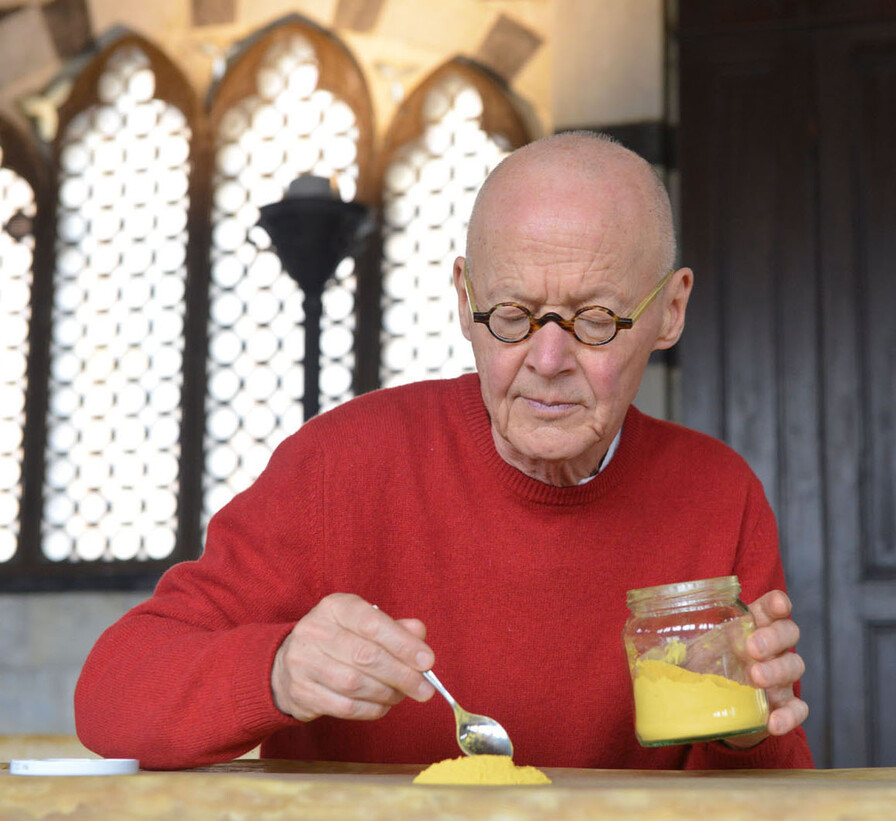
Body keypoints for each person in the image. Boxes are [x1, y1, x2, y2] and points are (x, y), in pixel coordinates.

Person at [75, 132, 813, 770]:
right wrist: (278, 669)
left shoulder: (717, 492)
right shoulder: (343, 462)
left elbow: (760, 787)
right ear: (464, 300)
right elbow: (110, 695)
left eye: (594, 319)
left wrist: (753, 727)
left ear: (669, 311)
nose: (546, 358)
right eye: (513, 315)